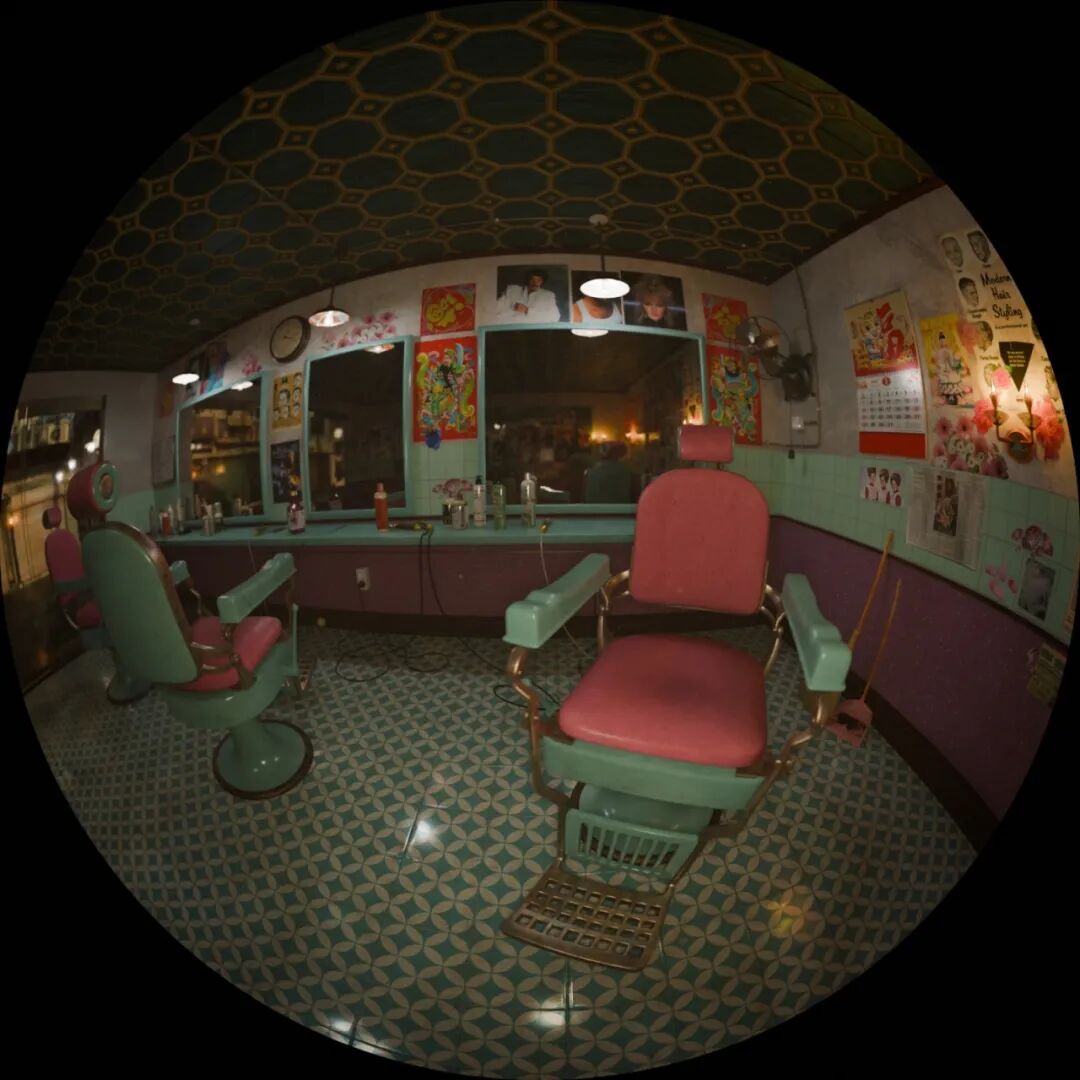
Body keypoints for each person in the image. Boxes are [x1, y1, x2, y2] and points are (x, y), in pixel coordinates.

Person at [496, 269, 560, 323]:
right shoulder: (511, 290)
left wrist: (527, 310)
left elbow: (554, 317)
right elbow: (497, 310)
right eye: (532, 279)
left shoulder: (548, 295)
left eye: (538, 280)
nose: (535, 283)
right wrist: (512, 308)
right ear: (527, 280)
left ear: (542, 281)